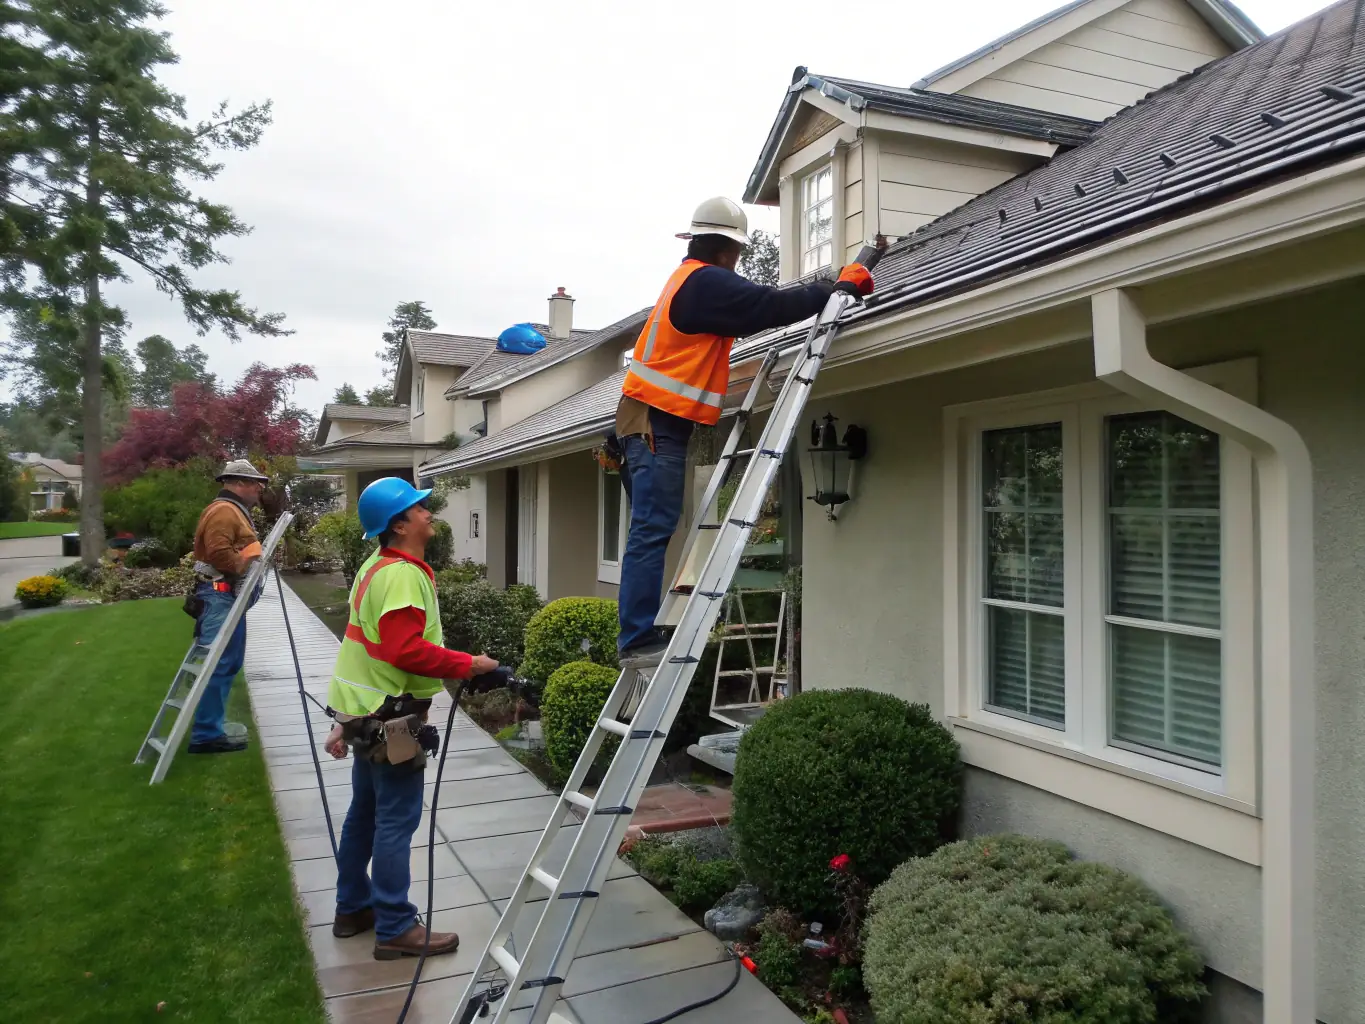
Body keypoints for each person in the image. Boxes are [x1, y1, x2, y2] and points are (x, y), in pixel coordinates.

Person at [615, 196, 874, 668]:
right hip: (654, 422)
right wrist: (835, 288)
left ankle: (638, 632)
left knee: (652, 528)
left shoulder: (690, 283)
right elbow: (766, 307)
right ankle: (635, 639)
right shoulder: (705, 282)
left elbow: (749, 312)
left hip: (650, 420)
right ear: (728, 251)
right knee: (652, 530)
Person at [322, 477, 498, 960]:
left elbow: (363, 650)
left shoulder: (376, 566)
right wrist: (471, 664)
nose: (428, 512)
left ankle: (353, 909)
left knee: (364, 815)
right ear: (399, 525)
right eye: (419, 508)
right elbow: (406, 651)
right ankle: (396, 926)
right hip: (392, 719)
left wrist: (343, 719)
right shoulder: (400, 575)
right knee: (396, 821)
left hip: (366, 714)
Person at [187, 459, 269, 755]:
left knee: (227, 663)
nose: (259, 489)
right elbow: (221, 554)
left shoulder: (232, 510)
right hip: (219, 596)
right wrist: (245, 561)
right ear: (240, 484)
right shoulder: (224, 511)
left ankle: (211, 727)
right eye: (256, 483)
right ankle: (206, 735)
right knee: (219, 665)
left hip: (224, 598)